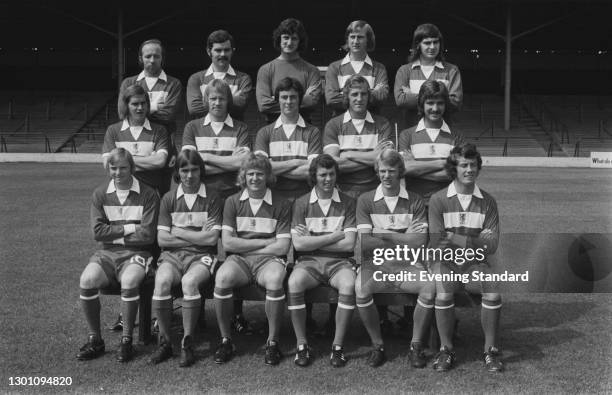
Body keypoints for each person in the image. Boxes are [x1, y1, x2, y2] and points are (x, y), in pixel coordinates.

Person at [182, 78, 253, 334]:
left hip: (233, 198)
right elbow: (189, 163)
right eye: (212, 98)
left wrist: (207, 159)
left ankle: (237, 314)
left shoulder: (241, 128)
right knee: (201, 251)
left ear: (228, 102)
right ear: (205, 101)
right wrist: (226, 160)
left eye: (222, 98)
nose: (217, 103)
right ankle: (198, 312)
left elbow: (242, 164)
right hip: (202, 200)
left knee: (236, 254)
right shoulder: (192, 127)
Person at [76, 148, 159, 363]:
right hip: (107, 253)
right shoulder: (100, 193)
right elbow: (97, 232)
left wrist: (114, 234)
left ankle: (126, 340)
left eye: (123, 167)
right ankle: (96, 340)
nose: (118, 172)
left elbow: (148, 236)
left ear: (132, 168)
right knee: (87, 279)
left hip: (138, 253)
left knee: (130, 280)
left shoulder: (149, 194)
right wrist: (131, 228)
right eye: (114, 168)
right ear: (108, 168)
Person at [428, 143, 503, 372]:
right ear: (454, 169)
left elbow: (491, 245)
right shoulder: (438, 199)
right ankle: (446, 350)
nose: (469, 169)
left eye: (473, 165)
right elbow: (436, 242)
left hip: (475, 263)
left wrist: (456, 238)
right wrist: (474, 240)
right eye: (463, 165)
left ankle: (490, 351)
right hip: (445, 262)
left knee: (493, 291)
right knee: (443, 291)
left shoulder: (488, 201)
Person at [355, 149, 432, 368]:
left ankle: (415, 347)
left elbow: (419, 242)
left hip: (407, 265)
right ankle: (377, 345)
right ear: (377, 172)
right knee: (361, 289)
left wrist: (384, 233)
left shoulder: (415, 200)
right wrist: (404, 235)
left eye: (391, 170)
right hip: (376, 264)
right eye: (382, 171)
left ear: (400, 171)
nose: (387, 175)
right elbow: (365, 243)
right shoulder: (365, 200)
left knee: (429, 287)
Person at [213, 153, 292, 365]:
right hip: (239, 260)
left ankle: (272, 342)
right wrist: (264, 242)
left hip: (269, 261)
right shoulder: (232, 202)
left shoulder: (282, 203)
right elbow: (228, 244)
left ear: (268, 176)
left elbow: (283, 246)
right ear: (243, 176)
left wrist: (251, 244)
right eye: (250, 174)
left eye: (259, 174)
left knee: (275, 280)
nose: (255, 178)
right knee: (222, 278)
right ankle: (225, 340)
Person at [149, 150, 223, 367]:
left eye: (194, 170)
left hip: (202, 257)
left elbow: (211, 239)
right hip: (171, 256)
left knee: (190, 282)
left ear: (201, 170)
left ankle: (186, 343)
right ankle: (164, 342)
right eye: (184, 170)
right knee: (161, 282)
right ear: (177, 172)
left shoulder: (213, 197)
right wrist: (197, 236)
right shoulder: (169, 198)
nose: (190, 175)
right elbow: (162, 238)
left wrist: (179, 232)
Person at [288, 154, 357, 367]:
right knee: (294, 283)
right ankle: (302, 345)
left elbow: (349, 245)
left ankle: (337, 347)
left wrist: (313, 239)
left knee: (348, 284)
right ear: (314, 177)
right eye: (322, 175)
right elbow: (299, 246)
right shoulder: (300, 203)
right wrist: (333, 236)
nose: (327, 179)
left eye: (331, 174)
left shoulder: (349, 202)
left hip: (340, 263)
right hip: (308, 262)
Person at [323, 74, 393, 198]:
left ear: (369, 96)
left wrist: (348, 155)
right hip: (342, 194)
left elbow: (386, 162)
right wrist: (372, 157)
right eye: (354, 94)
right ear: (347, 97)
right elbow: (331, 165)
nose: (359, 99)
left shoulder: (383, 124)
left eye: (364, 94)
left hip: (376, 194)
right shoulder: (333, 125)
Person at [254, 77, 321, 201]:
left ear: (299, 99)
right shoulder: (264, 133)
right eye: (284, 97)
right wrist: (297, 162)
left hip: (305, 199)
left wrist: (273, 168)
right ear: (277, 99)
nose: (288, 101)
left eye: (293, 97)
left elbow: (313, 172)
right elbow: (261, 169)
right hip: (273, 201)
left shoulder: (313, 132)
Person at [399, 80, 465, 203]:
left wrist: (416, 168)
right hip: (416, 205)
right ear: (421, 105)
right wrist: (442, 163)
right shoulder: (406, 135)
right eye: (430, 103)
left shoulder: (457, 136)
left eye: (440, 103)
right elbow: (405, 169)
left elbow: (456, 173)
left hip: (447, 204)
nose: (435, 108)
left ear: (445, 105)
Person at [104, 84, 170, 196]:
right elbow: (107, 164)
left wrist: (122, 162)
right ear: (126, 106)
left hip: (150, 194)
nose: (140, 108)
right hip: (120, 194)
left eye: (143, 103)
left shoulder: (159, 130)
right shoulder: (113, 130)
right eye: (135, 104)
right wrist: (149, 159)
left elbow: (160, 161)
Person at [394, 24, 463, 128]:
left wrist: (413, 95)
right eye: (427, 43)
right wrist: (442, 97)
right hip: (413, 134)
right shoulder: (404, 71)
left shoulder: (452, 70)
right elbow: (401, 100)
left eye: (436, 42)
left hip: (443, 135)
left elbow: (455, 103)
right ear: (418, 45)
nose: (432, 47)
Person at [256, 18, 322, 123]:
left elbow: (312, 103)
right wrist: (302, 99)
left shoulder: (312, 70)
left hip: (304, 127)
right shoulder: (265, 70)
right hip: (273, 127)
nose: (289, 42)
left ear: (300, 41)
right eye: (286, 37)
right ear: (279, 39)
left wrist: (275, 100)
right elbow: (263, 105)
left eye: (294, 38)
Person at [119, 39, 183, 137]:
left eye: (156, 56)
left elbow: (168, 116)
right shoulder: (128, 83)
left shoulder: (174, 83)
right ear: (141, 58)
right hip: (134, 139)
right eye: (148, 56)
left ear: (162, 58)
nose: (152, 60)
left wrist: (136, 112)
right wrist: (156, 107)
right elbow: (122, 113)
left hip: (165, 141)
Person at [325, 20, 388, 116]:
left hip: (372, 126)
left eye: (360, 37)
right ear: (347, 39)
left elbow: (382, 97)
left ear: (368, 40)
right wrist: (372, 93)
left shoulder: (379, 68)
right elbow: (331, 99)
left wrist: (344, 94)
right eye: (352, 37)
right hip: (341, 127)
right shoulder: (334, 68)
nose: (355, 41)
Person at [186, 30, 252, 121]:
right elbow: (194, 109)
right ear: (209, 51)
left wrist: (208, 101)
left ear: (232, 51)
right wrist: (231, 99)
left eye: (226, 50)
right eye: (218, 50)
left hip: (233, 133)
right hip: (203, 134)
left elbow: (241, 106)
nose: (223, 54)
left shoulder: (243, 79)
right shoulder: (196, 79)